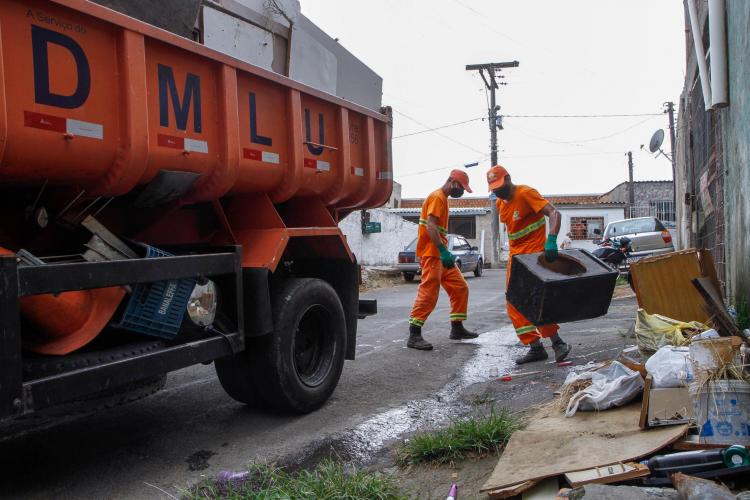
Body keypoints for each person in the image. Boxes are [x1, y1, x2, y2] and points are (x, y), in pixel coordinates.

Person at [487, 165, 572, 364]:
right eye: (494, 188)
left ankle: (557, 342)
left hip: (534, 254)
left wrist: (551, 239)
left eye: (500, 185)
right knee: (514, 303)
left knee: (536, 301)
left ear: (508, 178)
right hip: (516, 258)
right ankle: (535, 347)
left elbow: (554, 213)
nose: (498, 190)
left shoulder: (526, 193)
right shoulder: (500, 204)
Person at [407, 170, 479, 350]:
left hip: (441, 254)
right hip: (433, 254)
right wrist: (441, 250)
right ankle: (414, 335)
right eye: (461, 188)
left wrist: (445, 252)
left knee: (460, 287)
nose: (461, 192)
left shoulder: (442, 199)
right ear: (452, 182)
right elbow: (431, 226)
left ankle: (457, 328)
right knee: (429, 293)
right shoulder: (438, 197)